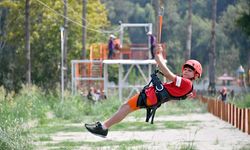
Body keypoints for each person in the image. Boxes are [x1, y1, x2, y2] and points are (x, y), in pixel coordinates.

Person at [85, 44, 203, 137]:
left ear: (196, 75)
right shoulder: (186, 85)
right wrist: (159, 54)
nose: (186, 71)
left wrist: (158, 57)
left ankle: (103, 127)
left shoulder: (186, 83)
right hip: (152, 97)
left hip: (151, 97)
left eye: (190, 70)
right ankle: (104, 126)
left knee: (126, 107)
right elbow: (169, 76)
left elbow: (168, 74)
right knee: (125, 107)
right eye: (186, 69)